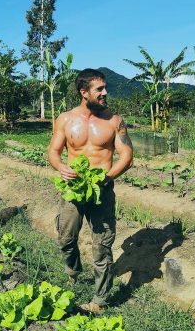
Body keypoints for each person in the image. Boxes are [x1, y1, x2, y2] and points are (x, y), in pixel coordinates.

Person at [47, 68, 133, 314]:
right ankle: (73, 271)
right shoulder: (65, 119)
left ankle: (100, 300)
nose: (105, 93)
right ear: (84, 92)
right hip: (73, 190)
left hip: (102, 192)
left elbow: (126, 156)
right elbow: (53, 151)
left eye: (105, 88)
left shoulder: (114, 121)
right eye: (100, 89)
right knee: (66, 237)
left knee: (102, 245)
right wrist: (61, 167)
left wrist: (106, 178)